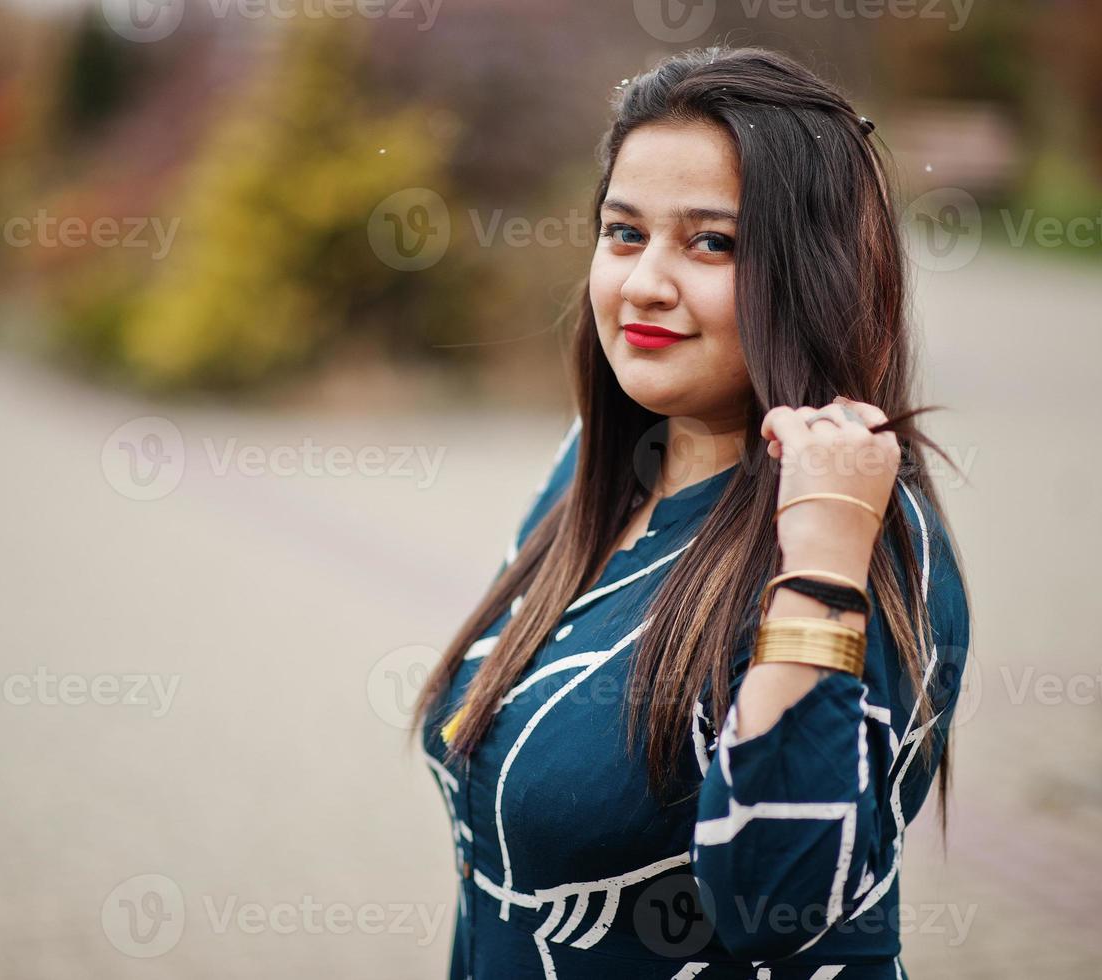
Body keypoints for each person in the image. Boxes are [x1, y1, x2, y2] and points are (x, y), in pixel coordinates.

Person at [410, 45, 973, 979]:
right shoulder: (592, 470)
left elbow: (781, 901)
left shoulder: (861, 531)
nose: (642, 283)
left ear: (817, 272)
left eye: (711, 242)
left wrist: (822, 569)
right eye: (623, 233)